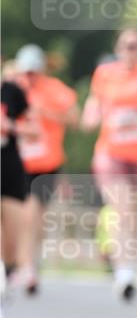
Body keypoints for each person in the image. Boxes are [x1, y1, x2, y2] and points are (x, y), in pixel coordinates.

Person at [82, 29, 137, 300]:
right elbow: (95, 103)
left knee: (135, 214)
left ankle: (129, 265)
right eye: (127, 45)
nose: (132, 50)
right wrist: (90, 115)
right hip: (110, 153)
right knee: (122, 207)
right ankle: (123, 271)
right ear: (118, 48)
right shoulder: (105, 74)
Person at [14, 44, 79, 294]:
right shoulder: (13, 88)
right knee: (25, 215)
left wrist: (47, 114)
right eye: (25, 72)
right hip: (18, 164)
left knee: (36, 217)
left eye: (33, 72)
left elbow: (75, 119)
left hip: (47, 164)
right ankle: (25, 266)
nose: (29, 77)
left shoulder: (54, 89)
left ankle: (30, 262)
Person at [1, 65, 39, 290]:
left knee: (11, 243)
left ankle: (10, 270)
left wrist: (10, 126)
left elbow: (35, 131)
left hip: (9, 169)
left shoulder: (12, 92)